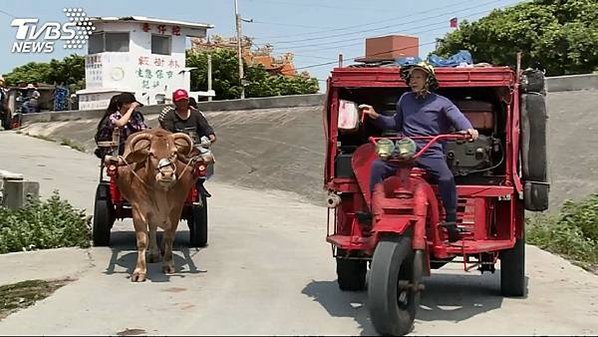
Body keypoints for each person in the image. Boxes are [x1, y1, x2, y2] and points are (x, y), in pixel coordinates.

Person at [360, 62, 479, 242]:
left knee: (446, 178)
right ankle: (373, 211)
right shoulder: (405, 99)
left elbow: (459, 118)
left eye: (418, 77)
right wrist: (376, 115)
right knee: (377, 166)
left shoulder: (442, 103)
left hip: (431, 151)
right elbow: (394, 124)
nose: (413, 81)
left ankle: (451, 222)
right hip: (405, 149)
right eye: (412, 78)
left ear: (428, 80)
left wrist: (469, 129)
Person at [159, 89, 216, 198]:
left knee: (208, 158)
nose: (182, 103)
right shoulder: (170, 115)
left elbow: (205, 126)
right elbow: (168, 132)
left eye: (184, 100)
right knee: (162, 162)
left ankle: (200, 182)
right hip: (175, 147)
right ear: (175, 102)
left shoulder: (196, 114)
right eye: (179, 101)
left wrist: (211, 136)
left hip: (195, 147)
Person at [94, 93, 148, 158]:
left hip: (137, 145)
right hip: (119, 148)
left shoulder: (137, 116)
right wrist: (131, 109)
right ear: (124, 105)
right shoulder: (113, 117)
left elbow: (143, 128)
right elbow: (120, 123)